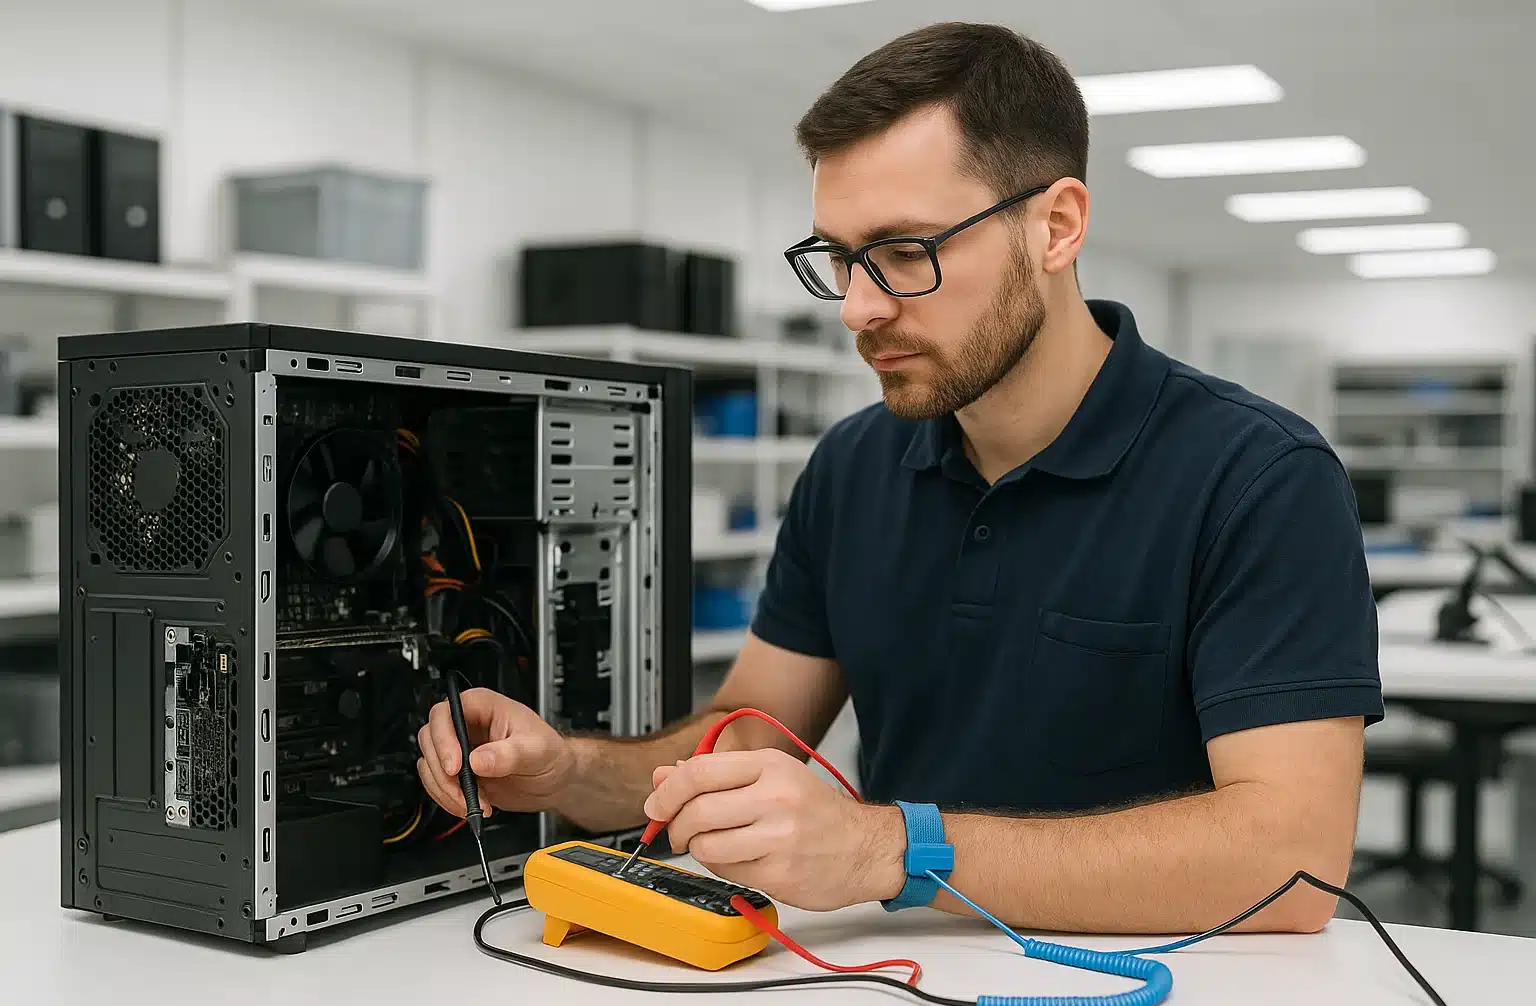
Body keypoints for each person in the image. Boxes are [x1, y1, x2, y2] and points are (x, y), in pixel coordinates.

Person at [418, 21, 1382, 934]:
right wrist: (565, 770)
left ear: (1056, 228)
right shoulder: (853, 465)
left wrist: (897, 851)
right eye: (839, 259)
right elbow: (747, 739)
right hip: (902, 983)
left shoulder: (1259, 479)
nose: (857, 310)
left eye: (903, 254)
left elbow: (1294, 863)